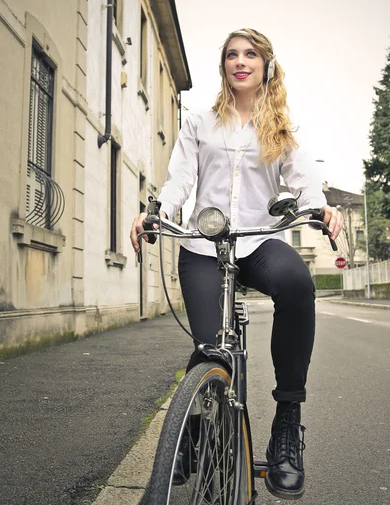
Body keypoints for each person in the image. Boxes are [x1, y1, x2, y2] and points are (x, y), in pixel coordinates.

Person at [130, 28, 344, 500]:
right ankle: (196, 425)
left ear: (266, 65)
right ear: (223, 65)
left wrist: (320, 206)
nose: (240, 61)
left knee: (296, 283)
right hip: (204, 247)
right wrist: (158, 213)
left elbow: (304, 179)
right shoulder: (200, 122)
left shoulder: (279, 129)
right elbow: (180, 178)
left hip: (257, 242)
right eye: (232, 54)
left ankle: (287, 423)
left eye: (250, 54)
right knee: (209, 351)